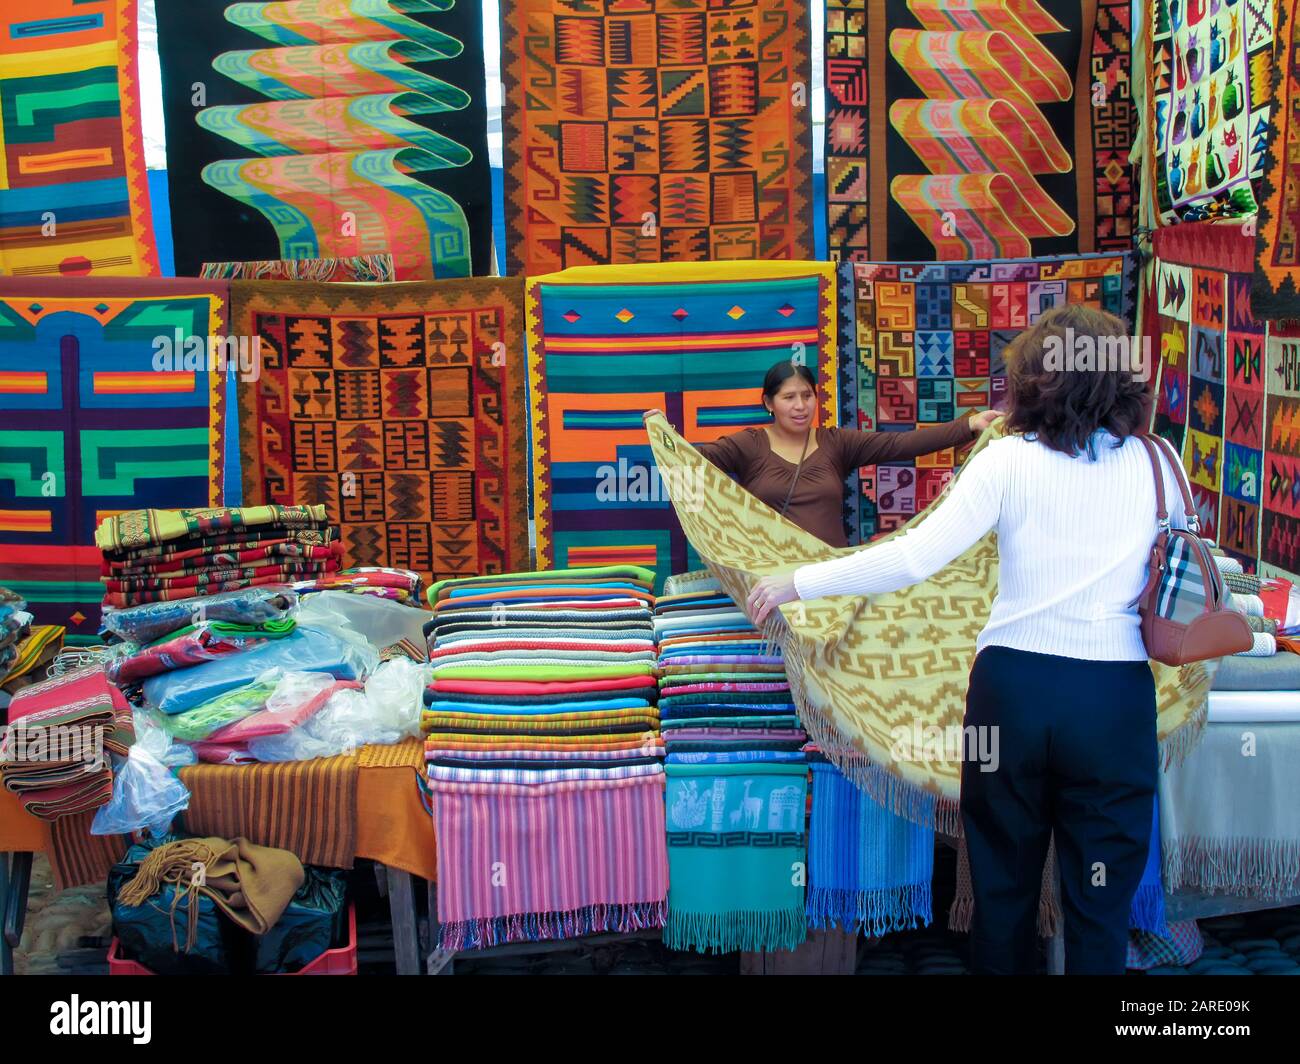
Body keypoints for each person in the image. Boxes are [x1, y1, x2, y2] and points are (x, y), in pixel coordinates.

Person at [747, 304, 1180, 975]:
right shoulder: (1161, 464)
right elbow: (1185, 562)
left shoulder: (1006, 461)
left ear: (1033, 379)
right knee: (1100, 899)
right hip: (1113, 700)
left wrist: (798, 581)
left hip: (1013, 697)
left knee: (1003, 888)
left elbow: (916, 556)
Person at [645, 360, 997, 547]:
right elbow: (690, 459)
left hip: (829, 579)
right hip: (772, 581)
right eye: (788, 397)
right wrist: (664, 433)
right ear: (769, 403)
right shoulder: (748, 445)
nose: (800, 406)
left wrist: (969, 425)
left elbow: (899, 445)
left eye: (807, 396)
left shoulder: (836, 442)